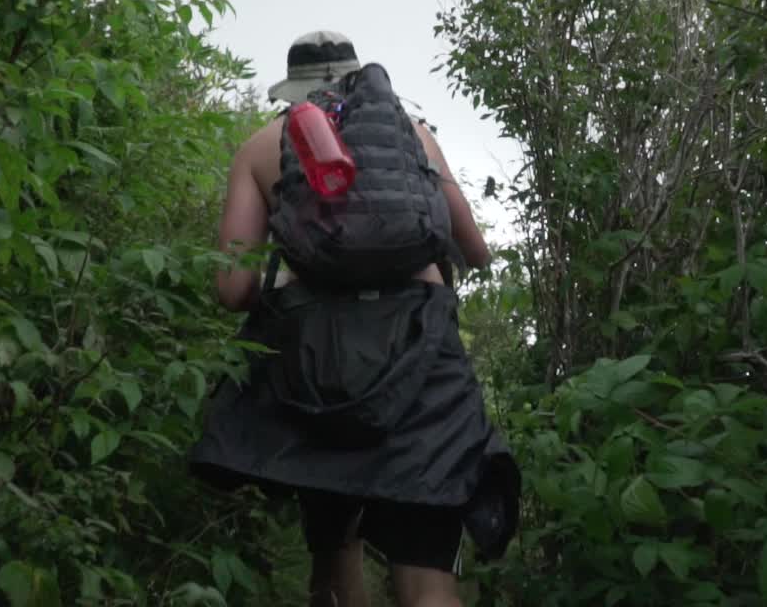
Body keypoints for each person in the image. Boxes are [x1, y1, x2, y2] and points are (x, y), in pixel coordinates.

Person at [189, 30, 520, 607]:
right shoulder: (415, 137)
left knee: (334, 557)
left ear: (293, 91)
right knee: (425, 571)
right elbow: (477, 251)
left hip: (317, 368)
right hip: (424, 363)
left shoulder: (264, 145)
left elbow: (233, 287)